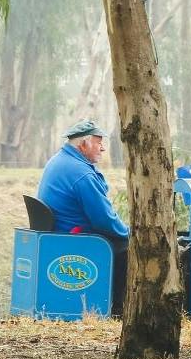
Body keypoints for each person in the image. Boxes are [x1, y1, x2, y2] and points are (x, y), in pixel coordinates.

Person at [36, 119, 128, 313]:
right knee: (128, 248)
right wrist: (129, 233)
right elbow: (104, 220)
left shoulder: (59, 160)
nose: (102, 148)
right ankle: (117, 309)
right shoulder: (81, 174)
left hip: (57, 233)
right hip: (75, 238)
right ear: (83, 144)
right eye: (98, 142)